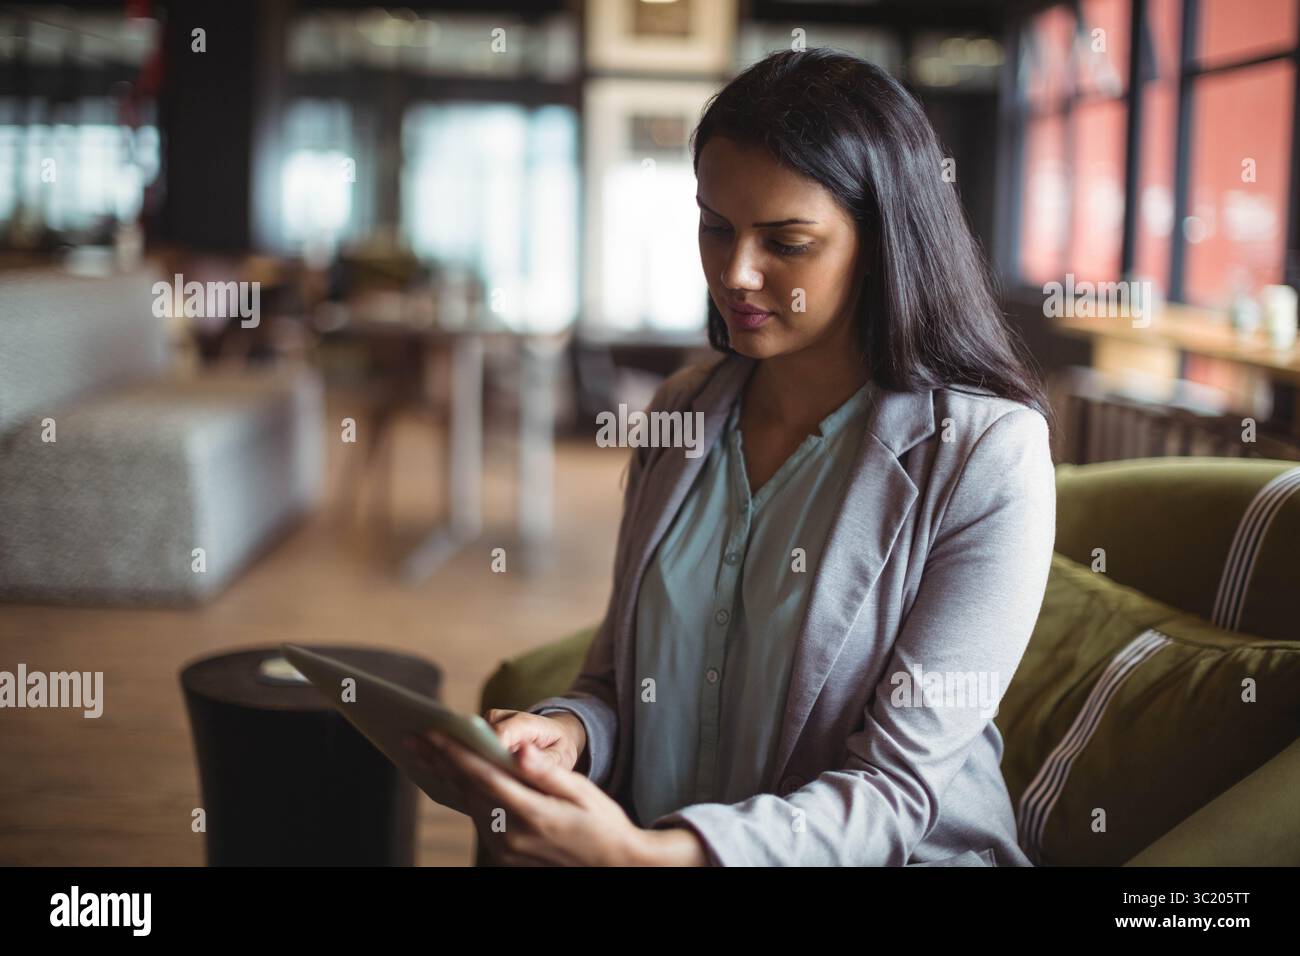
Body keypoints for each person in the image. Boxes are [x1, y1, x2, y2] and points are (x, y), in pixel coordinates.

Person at [406, 48, 1056, 866]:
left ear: (884, 242)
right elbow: (616, 686)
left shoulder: (986, 454)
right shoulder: (684, 409)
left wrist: (652, 856)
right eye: (717, 227)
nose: (736, 272)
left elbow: (894, 794)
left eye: (786, 242)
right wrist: (567, 733)